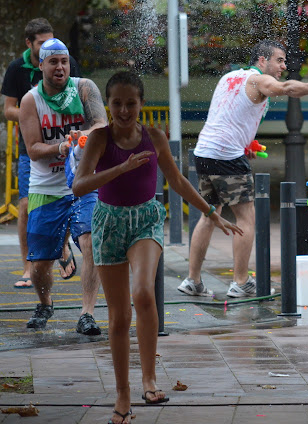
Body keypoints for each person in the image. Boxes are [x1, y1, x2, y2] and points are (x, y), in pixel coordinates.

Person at [72, 71, 243, 424]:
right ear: (108, 104)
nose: (123, 110)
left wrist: (211, 213)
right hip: (108, 223)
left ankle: (149, 377)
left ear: (141, 104)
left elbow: (178, 180)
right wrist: (119, 168)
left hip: (146, 219)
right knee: (119, 317)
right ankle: (123, 395)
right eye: (116, 103)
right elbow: (79, 186)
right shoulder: (100, 139)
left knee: (144, 294)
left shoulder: (154, 137)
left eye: (130, 103)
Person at [177, 39, 308, 298]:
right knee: (247, 218)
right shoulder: (260, 80)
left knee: (209, 215)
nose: (283, 66)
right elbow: (286, 88)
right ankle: (241, 281)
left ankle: (192, 280)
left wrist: (246, 143)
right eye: (279, 60)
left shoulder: (231, 76)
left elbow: (229, 115)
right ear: (262, 61)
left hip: (204, 152)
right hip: (227, 157)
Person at [18, 38, 107, 335]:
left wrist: (83, 135)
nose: (60, 67)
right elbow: (32, 149)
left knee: (90, 242)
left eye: (64, 61)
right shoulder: (31, 100)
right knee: (40, 263)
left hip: (84, 181)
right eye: (53, 62)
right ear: (41, 65)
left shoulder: (84, 88)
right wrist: (61, 146)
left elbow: (101, 126)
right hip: (46, 186)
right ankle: (45, 303)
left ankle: (87, 313)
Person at [1, 18, 82, 288]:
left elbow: (81, 101)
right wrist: (32, 111)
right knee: (25, 206)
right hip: (32, 147)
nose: (49, 47)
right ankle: (28, 266)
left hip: (69, 147)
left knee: (71, 201)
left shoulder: (66, 63)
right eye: (41, 43)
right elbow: (8, 109)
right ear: (29, 44)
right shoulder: (16, 69)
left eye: (51, 40)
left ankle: (62, 246)